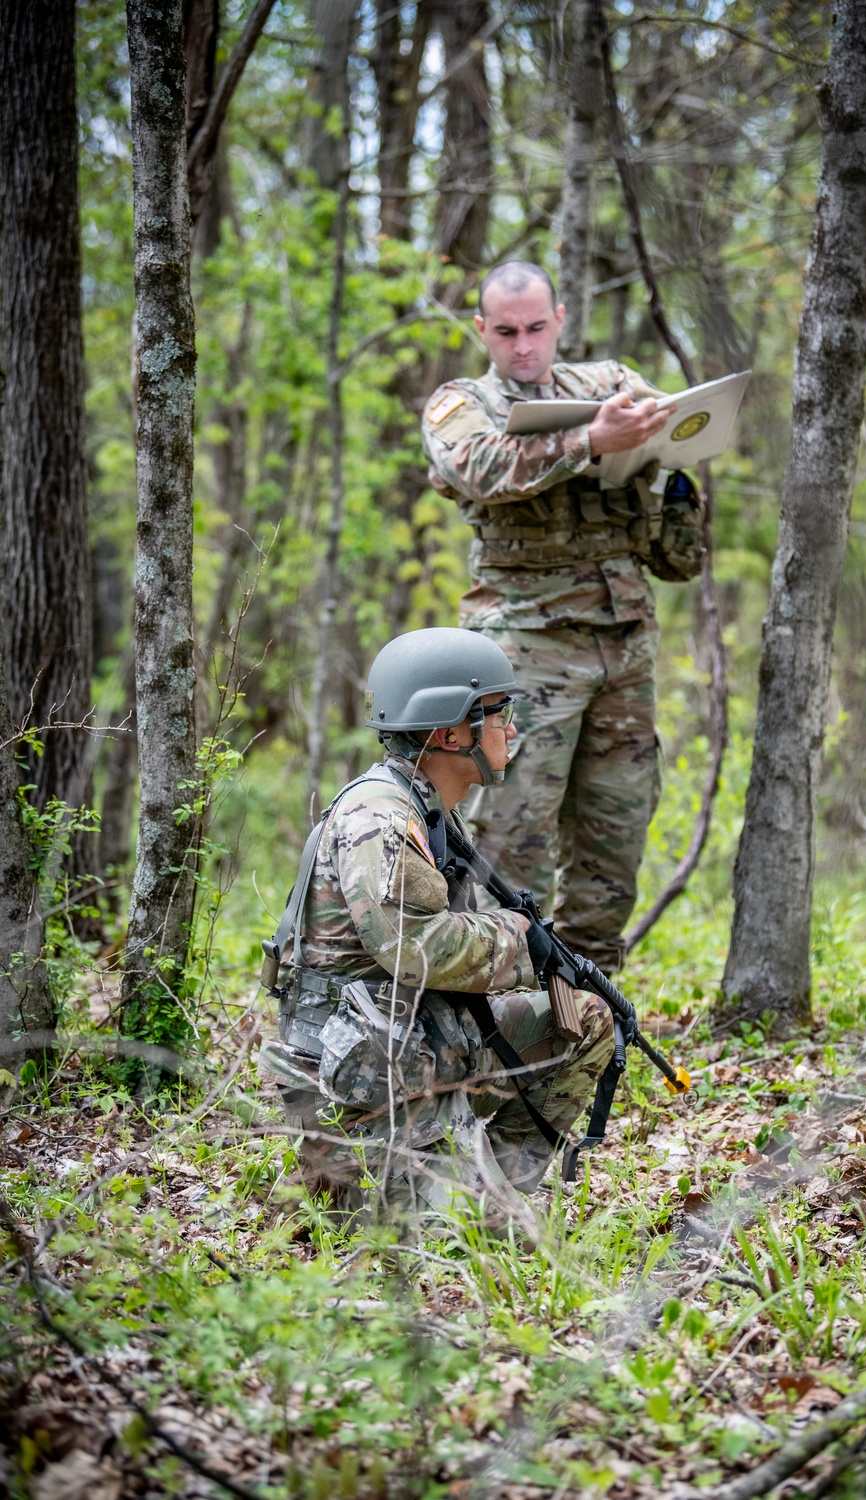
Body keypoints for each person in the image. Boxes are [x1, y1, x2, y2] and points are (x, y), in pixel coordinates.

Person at [257, 627, 614, 1228]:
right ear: (450, 732)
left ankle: (493, 1193)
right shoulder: (380, 819)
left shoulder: (425, 810)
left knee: (587, 1019)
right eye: (498, 713)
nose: (512, 728)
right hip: (359, 1077)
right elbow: (412, 948)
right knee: (459, 1251)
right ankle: (370, 1183)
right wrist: (518, 940)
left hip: (405, 1044)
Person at [421, 261, 703, 973]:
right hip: (524, 651)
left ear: (561, 320)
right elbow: (477, 467)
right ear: (483, 329)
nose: (524, 345)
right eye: (507, 331)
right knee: (512, 838)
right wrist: (587, 445)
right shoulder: (462, 402)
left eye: (537, 328)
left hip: (623, 647)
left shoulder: (608, 385)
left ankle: (589, 1011)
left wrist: (665, 458)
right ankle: (506, 1008)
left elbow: (674, 506)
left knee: (615, 837)